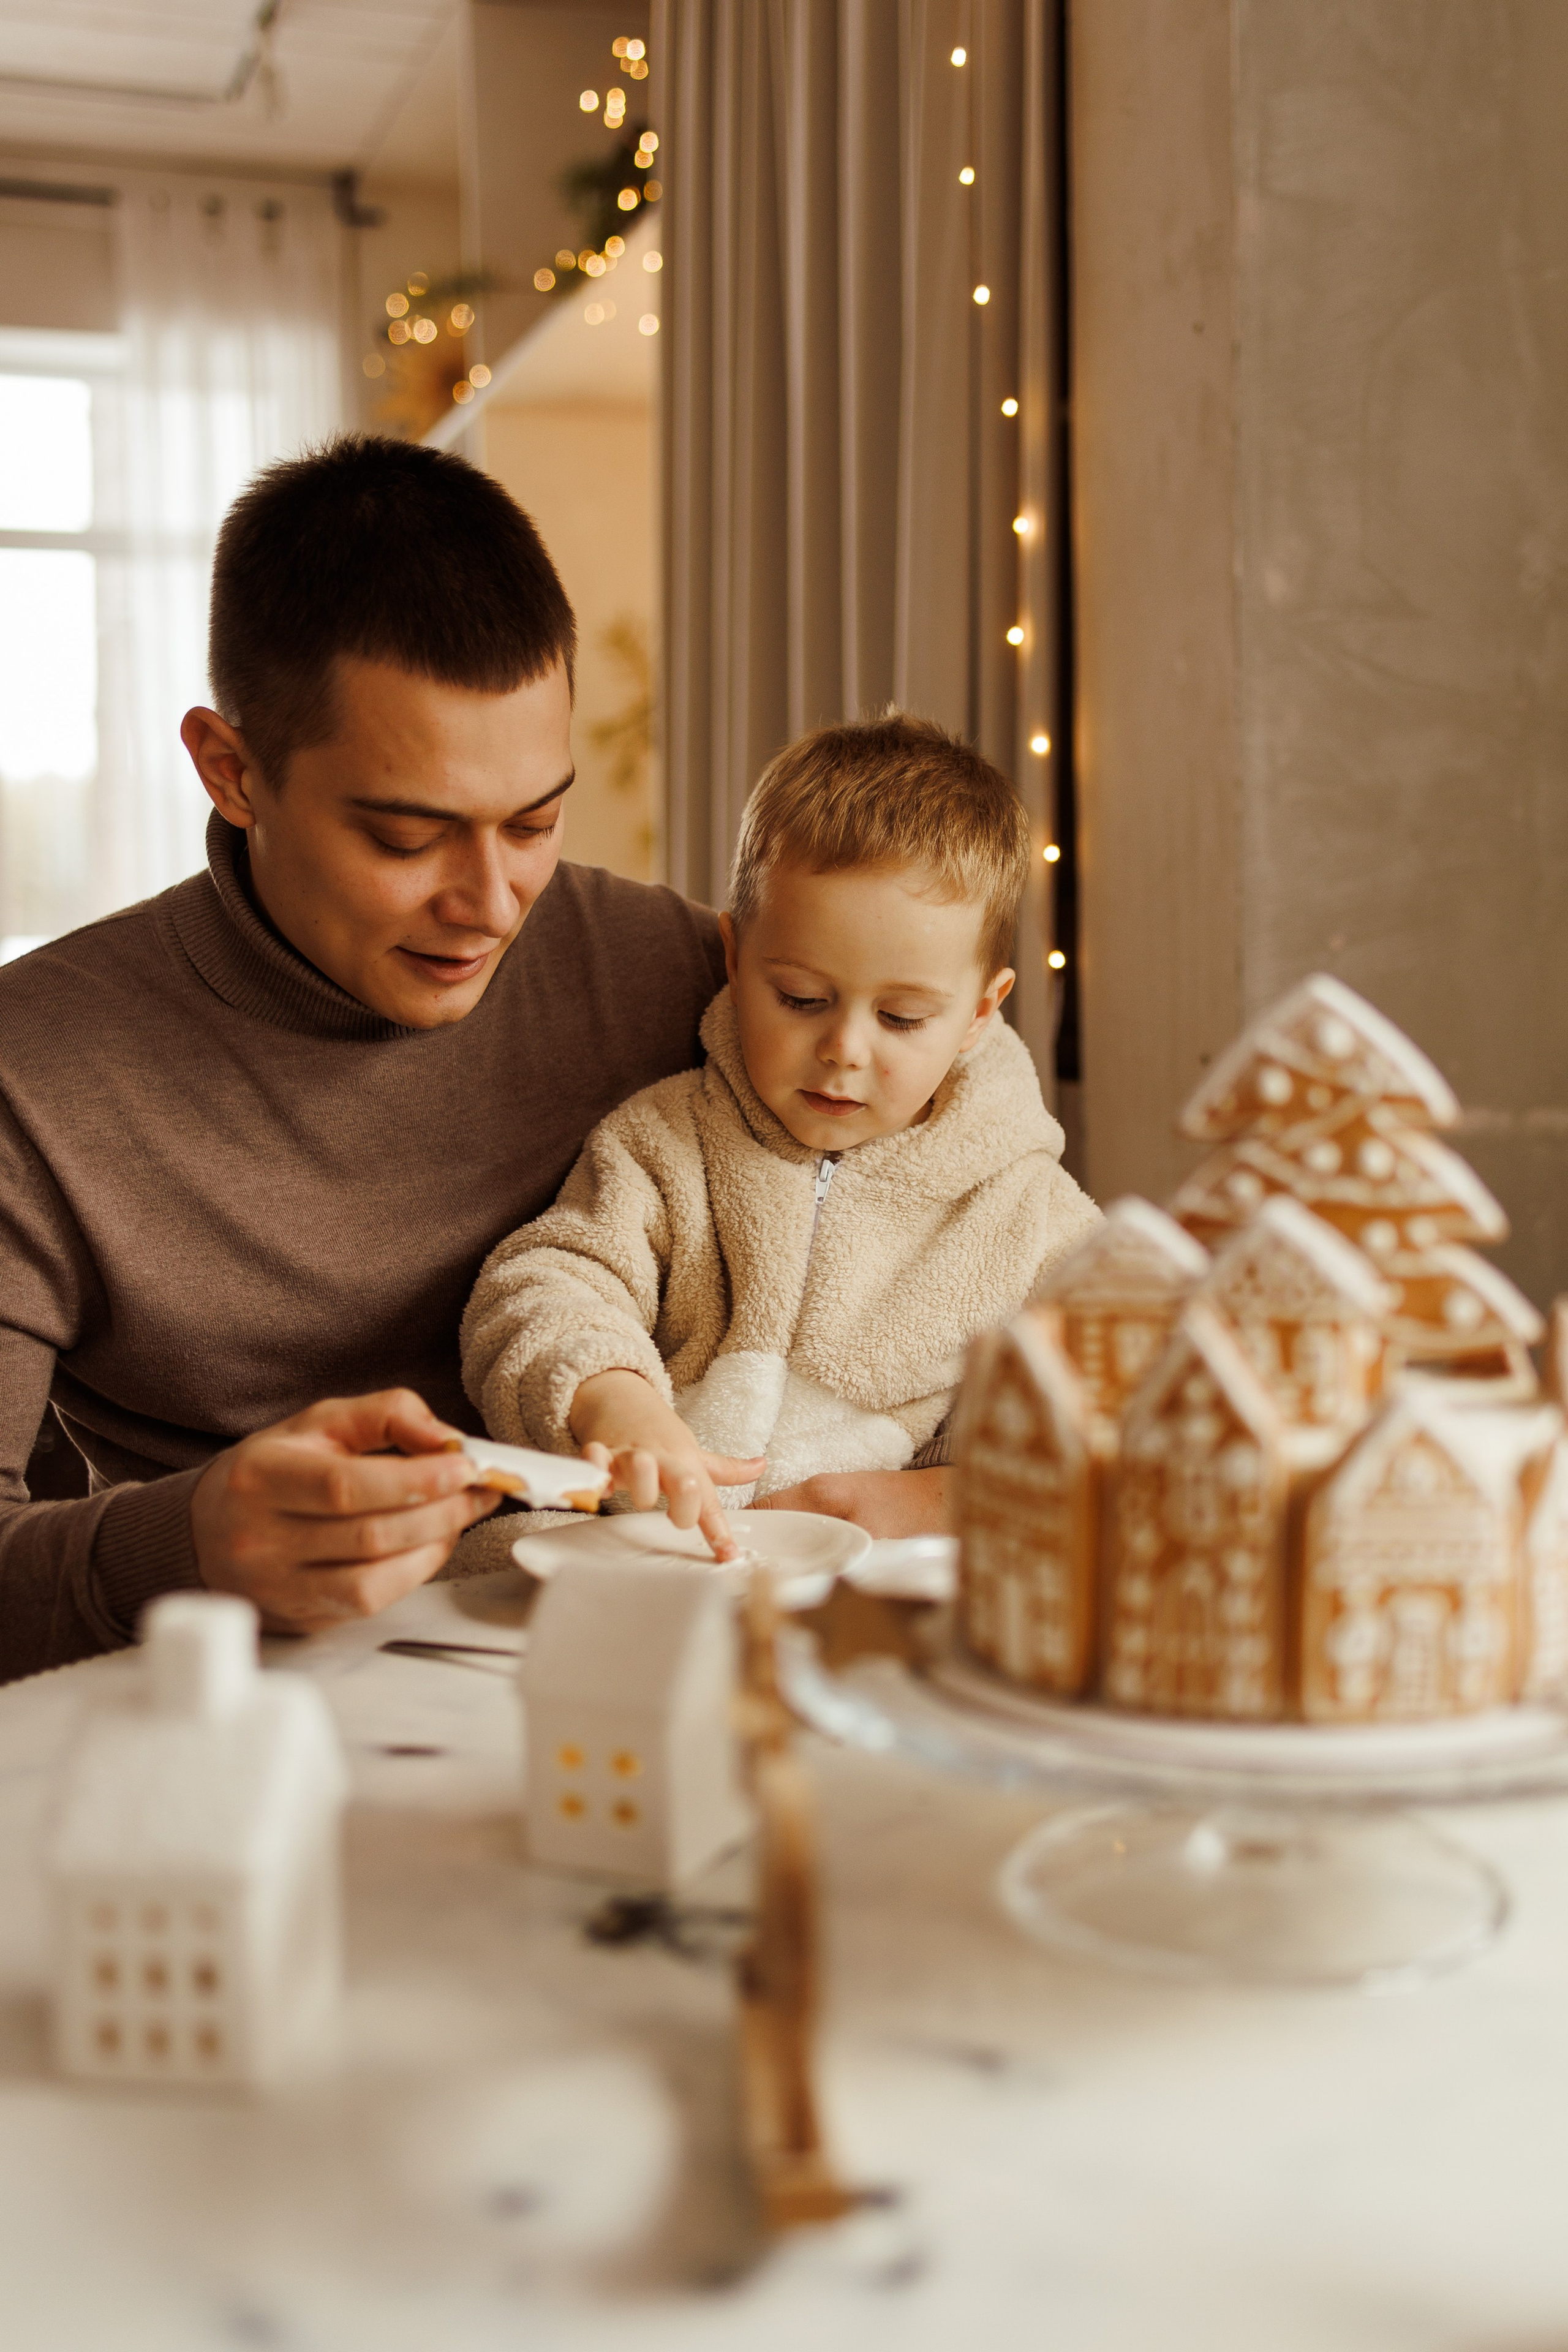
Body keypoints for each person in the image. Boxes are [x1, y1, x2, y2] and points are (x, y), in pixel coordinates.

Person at [0, 434, 742, 1683]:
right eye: (408, 837)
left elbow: (966, 1193)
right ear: (232, 773)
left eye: (536, 821)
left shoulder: (671, 973)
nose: (494, 902)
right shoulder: (32, 1077)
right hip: (246, 1722)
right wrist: (185, 1543)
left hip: (662, 1662)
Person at [461, 713, 1101, 1555]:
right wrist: (613, 1397)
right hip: (652, 1558)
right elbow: (543, 1285)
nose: (844, 1049)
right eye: (801, 998)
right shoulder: (666, 1142)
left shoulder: (1030, 1214)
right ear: (733, 956)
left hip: (882, 1594)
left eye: (904, 1017)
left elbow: (1128, 1413)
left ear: (982, 1011)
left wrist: (941, 1503)